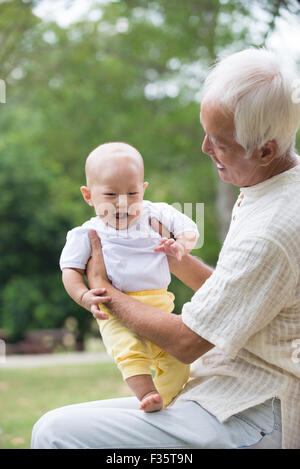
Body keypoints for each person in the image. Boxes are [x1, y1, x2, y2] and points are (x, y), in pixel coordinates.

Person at [31, 48, 300, 449]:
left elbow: (187, 341)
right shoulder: (269, 188)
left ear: (265, 149)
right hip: (220, 390)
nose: (206, 149)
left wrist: (106, 291)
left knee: (55, 432)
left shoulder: (272, 228)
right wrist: (170, 256)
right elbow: (238, 295)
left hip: (251, 410)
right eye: (205, 132)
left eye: (220, 141)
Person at [59, 142, 199, 412]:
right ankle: (146, 393)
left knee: (176, 359)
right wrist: (84, 296)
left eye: (132, 193)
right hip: (115, 309)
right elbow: (70, 271)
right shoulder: (88, 233)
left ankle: (166, 399)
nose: (122, 203)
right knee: (128, 350)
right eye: (111, 194)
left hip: (159, 304)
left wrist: (180, 244)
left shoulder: (156, 213)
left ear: (143, 189)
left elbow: (189, 229)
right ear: (88, 195)